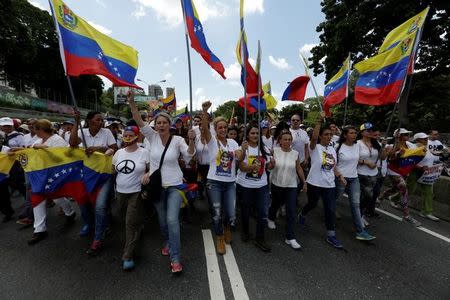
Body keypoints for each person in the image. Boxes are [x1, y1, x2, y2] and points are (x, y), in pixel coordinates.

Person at [128, 92, 195, 274]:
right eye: (158, 123)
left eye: (165, 122)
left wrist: (192, 140)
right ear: (155, 126)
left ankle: (175, 258)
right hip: (157, 188)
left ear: (170, 125)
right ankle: (167, 240)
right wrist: (132, 103)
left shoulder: (178, 140)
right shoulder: (152, 137)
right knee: (162, 222)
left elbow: (189, 155)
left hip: (174, 186)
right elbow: (138, 120)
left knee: (172, 220)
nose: (162, 125)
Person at [69, 110, 117, 255]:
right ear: (89, 121)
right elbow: (72, 144)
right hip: (86, 173)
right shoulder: (82, 132)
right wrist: (76, 122)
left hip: (103, 174)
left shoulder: (107, 133)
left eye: (101, 120)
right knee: (83, 202)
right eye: (97, 120)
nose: (101, 122)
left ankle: (98, 238)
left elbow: (114, 148)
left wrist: (98, 149)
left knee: (100, 206)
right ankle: (89, 224)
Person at [200, 101, 242, 255]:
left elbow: (239, 157)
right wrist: (204, 111)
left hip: (230, 183)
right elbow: (204, 129)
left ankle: (227, 228)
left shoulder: (232, 142)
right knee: (217, 213)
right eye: (220, 127)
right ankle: (219, 237)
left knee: (231, 213)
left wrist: (241, 151)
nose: (223, 129)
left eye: (225, 127)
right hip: (214, 183)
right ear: (216, 129)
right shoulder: (212, 142)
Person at [299, 111, 346, 249]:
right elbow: (313, 138)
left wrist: (340, 176)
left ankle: (331, 235)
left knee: (330, 209)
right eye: (326, 134)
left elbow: (334, 166)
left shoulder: (332, 149)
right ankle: (302, 213)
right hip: (314, 183)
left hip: (329, 184)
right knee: (312, 204)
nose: (329, 136)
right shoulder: (315, 147)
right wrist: (319, 120)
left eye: (330, 134)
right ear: (320, 136)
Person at [26, 119, 77, 245]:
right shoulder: (37, 141)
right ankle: (39, 230)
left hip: (55, 174)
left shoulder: (57, 140)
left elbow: (62, 158)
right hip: (40, 175)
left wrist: (45, 149)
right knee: (37, 199)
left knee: (57, 197)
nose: (33, 131)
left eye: (35, 129)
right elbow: (30, 151)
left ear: (40, 129)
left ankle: (70, 212)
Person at [112, 126, 150, 270]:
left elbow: (153, 168)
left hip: (136, 193)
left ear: (136, 136)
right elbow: (112, 171)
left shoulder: (144, 152)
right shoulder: (118, 153)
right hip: (120, 193)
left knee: (130, 223)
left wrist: (148, 174)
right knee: (124, 219)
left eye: (130, 135)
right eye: (125, 135)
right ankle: (139, 226)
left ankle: (127, 256)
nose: (127, 137)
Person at [267, 129, 307, 250]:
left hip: (291, 185)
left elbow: (298, 168)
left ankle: (290, 237)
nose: (287, 141)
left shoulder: (295, 153)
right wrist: (271, 164)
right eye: (285, 139)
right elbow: (269, 166)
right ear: (280, 140)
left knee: (291, 210)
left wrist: (304, 182)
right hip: (276, 183)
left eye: (289, 139)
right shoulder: (275, 151)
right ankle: (271, 217)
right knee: (275, 204)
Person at [335, 126, 375, 241]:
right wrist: (339, 176)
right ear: (344, 135)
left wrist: (365, 162)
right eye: (351, 133)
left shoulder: (357, 146)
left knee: (355, 204)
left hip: (354, 178)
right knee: (336, 200)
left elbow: (356, 159)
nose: (354, 135)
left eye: (355, 133)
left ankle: (360, 231)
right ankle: (329, 219)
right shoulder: (338, 147)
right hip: (340, 178)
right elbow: (332, 163)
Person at [237, 124, 273, 252]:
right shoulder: (242, 148)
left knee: (263, 212)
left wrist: (272, 164)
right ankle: (245, 231)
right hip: (245, 185)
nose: (255, 135)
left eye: (257, 133)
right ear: (247, 134)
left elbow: (269, 167)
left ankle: (260, 238)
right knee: (245, 210)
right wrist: (252, 167)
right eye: (252, 133)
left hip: (261, 185)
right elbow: (241, 167)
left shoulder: (264, 149)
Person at [385, 128, 424, 227]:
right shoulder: (392, 145)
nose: (408, 135)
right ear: (399, 136)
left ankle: (380, 198)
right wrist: (398, 154)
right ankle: (406, 216)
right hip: (393, 171)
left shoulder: (409, 144)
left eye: (408, 134)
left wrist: (420, 167)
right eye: (405, 134)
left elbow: (412, 158)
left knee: (395, 188)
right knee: (404, 191)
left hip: (404, 171)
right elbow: (390, 158)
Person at [357, 123, 387, 220]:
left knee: (370, 195)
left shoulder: (376, 143)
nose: (371, 132)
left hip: (373, 174)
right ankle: (359, 216)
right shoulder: (357, 143)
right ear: (362, 133)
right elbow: (353, 158)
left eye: (372, 130)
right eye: (368, 130)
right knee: (363, 196)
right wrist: (366, 162)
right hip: (360, 174)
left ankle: (361, 214)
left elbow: (383, 157)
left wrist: (383, 147)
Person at [407, 133, 440, 221]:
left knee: (428, 192)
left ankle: (426, 212)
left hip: (427, 173)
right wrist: (420, 167)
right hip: (415, 172)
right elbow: (410, 162)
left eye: (426, 139)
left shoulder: (427, 148)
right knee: (410, 190)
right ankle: (395, 198)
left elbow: (432, 158)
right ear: (417, 140)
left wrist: (440, 160)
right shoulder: (412, 148)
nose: (426, 140)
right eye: (423, 139)